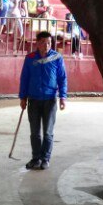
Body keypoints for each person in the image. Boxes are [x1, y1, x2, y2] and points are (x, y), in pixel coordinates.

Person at [19, 31, 68, 170]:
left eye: (48, 43)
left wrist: (63, 97)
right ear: (37, 43)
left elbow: (62, 78)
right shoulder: (30, 58)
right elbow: (24, 78)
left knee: (48, 132)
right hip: (33, 100)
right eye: (43, 43)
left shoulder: (57, 58)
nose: (46, 45)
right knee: (35, 133)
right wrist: (23, 97)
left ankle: (45, 158)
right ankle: (36, 158)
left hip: (50, 100)